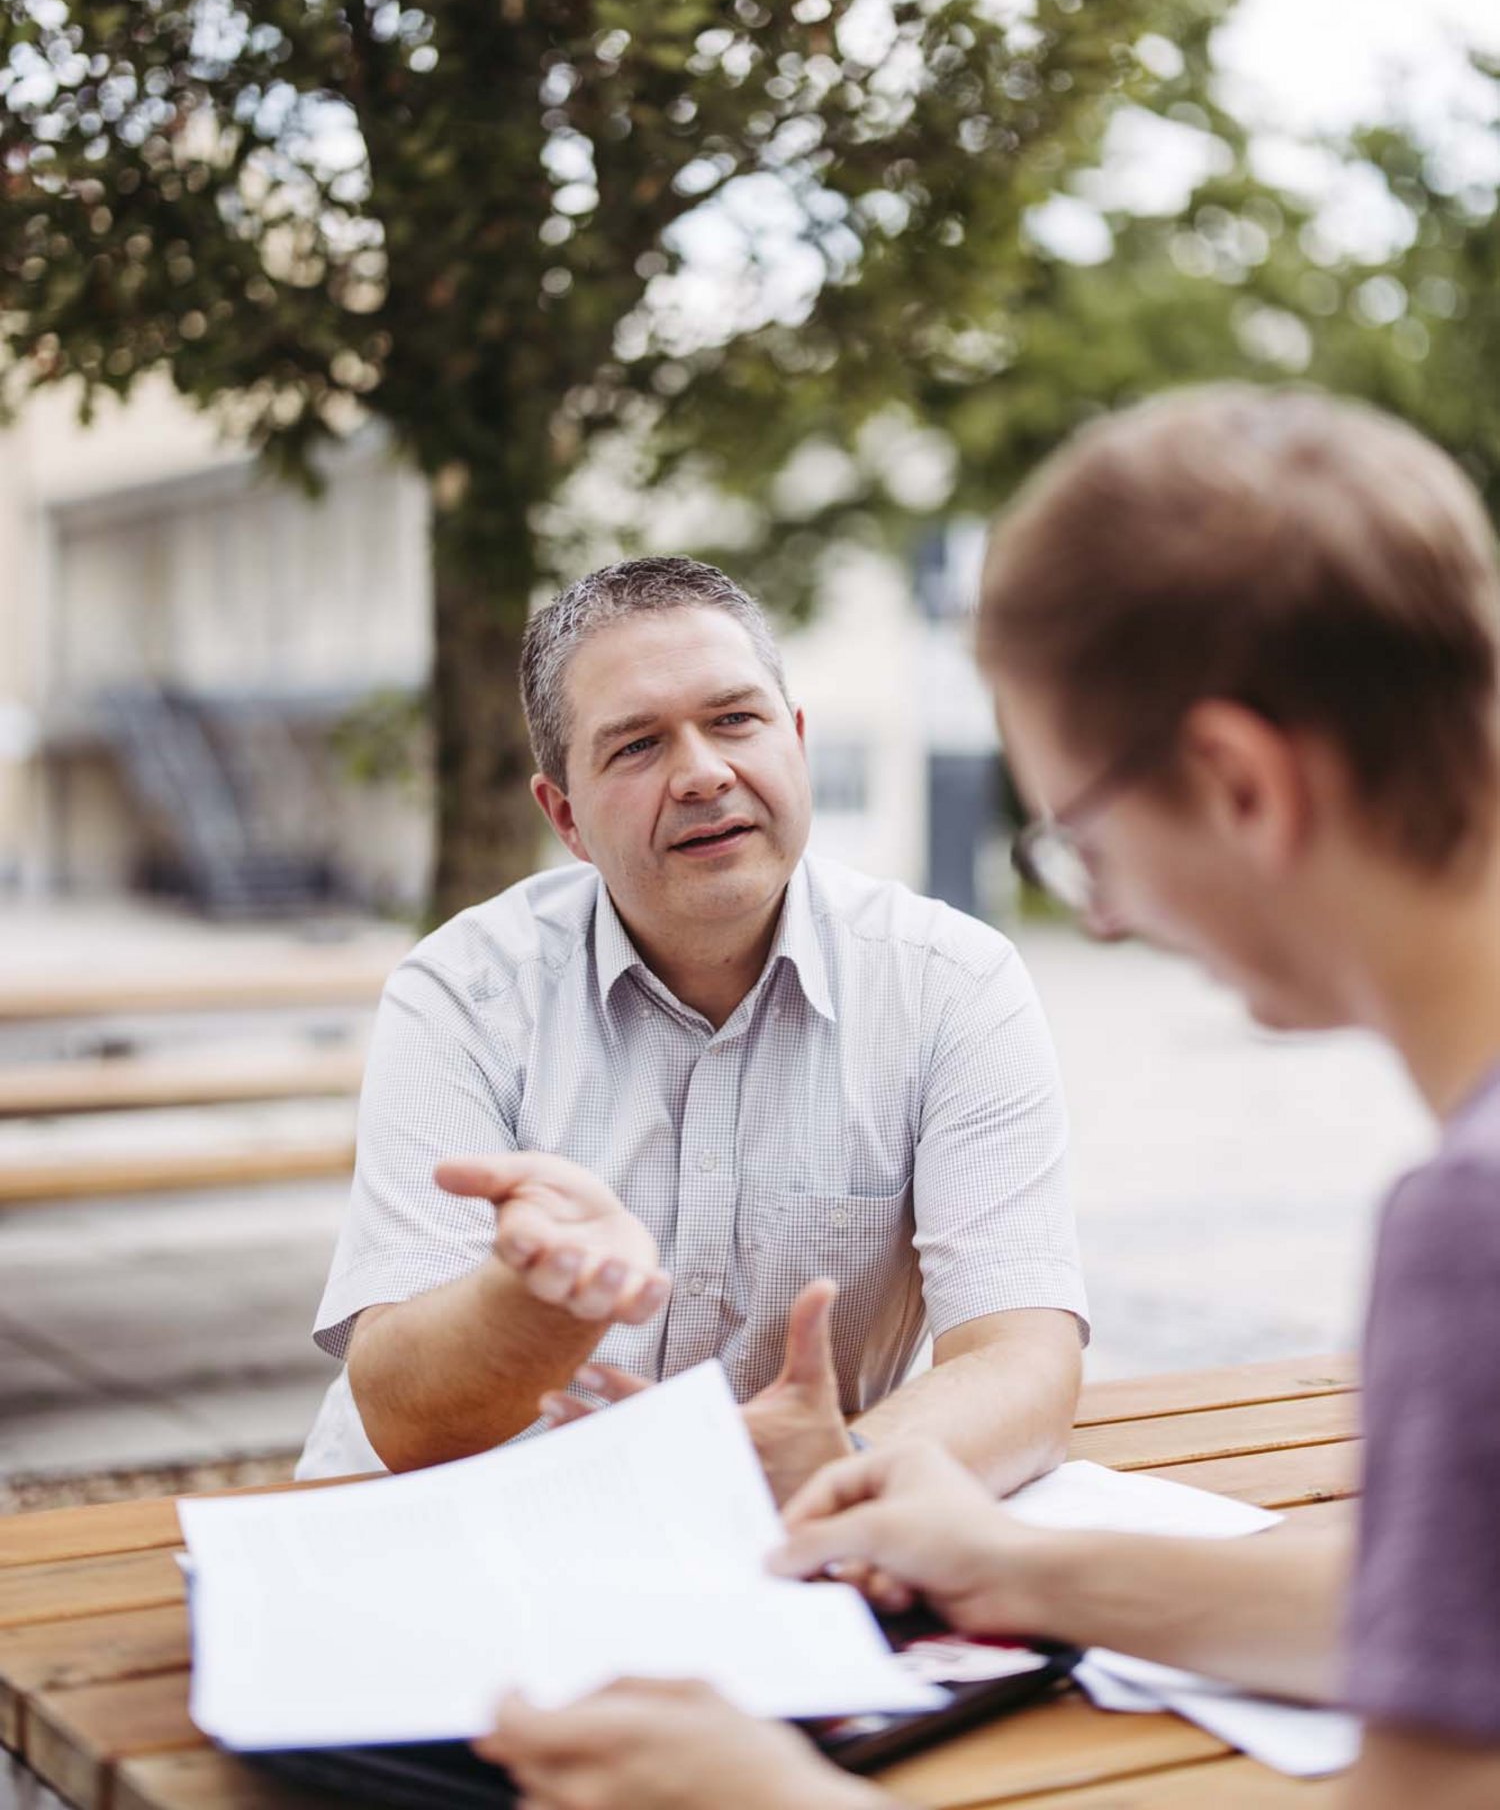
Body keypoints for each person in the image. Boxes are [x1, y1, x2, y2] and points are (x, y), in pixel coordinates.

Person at [476, 388, 1500, 1810]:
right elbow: (1445, 1612)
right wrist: (1021, 1565)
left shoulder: (1472, 1228)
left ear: (1238, 786)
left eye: (1081, 837)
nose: (1115, 914)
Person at [298, 555, 1086, 1493]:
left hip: (793, 1526)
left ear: (794, 739)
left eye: (735, 720)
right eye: (635, 745)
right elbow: (401, 1416)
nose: (704, 773)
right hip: (482, 1529)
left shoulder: (952, 984)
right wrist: (533, 1301)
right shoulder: (462, 994)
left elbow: (1022, 1361)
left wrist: (843, 1466)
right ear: (566, 817)